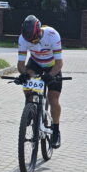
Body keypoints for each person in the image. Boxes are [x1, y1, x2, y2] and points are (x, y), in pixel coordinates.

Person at [17, 15, 63, 149]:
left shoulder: (52, 35)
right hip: (35, 63)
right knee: (28, 80)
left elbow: (59, 63)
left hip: (52, 66)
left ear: (39, 32)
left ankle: (56, 130)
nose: (32, 42)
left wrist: (50, 75)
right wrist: (23, 74)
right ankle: (30, 109)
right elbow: (21, 64)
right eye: (29, 41)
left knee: (53, 99)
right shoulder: (22, 38)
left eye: (35, 39)